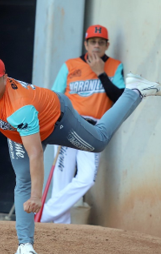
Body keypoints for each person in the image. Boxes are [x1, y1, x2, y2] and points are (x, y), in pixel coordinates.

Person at [0, 54, 161, 254]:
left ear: (5, 79)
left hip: (56, 121)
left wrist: (37, 196)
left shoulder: (20, 107)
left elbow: (36, 153)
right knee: (22, 178)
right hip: (19, 131)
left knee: (99, 142)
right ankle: (25, 245)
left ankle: (134, 90)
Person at [40, 25, 125, 224]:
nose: (96, 46)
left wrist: (101, 74)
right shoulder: (70, 65)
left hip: (94, 129)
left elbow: (119, 98)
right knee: (61, 181)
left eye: (101, 42)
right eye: (93, 42)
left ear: (107, 45)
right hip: (67, 125)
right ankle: (61, 228)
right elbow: (54, 96)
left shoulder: (115, 66)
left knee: (86, 178)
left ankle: (42, 215)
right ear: (86, 44)